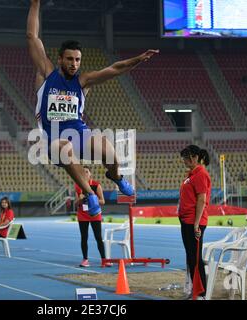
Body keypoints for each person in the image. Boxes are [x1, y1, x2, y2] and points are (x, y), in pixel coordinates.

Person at [27, 0, 158, 216]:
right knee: (63, 148)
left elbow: (115, 69)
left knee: (108, 149)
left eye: (78, 60)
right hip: (54, 140)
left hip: (79, 134)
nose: (74, 64)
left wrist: (138, 59)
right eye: (69, 59)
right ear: (60, 59)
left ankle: (116, 177)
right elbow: (32, 37)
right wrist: (35, 4)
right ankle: (89, 194)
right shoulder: (46, 74)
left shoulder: (83, 82)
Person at [178, 145, 211, 300]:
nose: (184, 161)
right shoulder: (190, 175)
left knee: (195, 258)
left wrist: (196, 224)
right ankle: (196, 291)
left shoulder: (201, 174)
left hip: (193, 221)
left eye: (186, 157)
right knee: (191, 257)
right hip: (186, 220)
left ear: (194, 157)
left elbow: (202, 199)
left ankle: (201, 293)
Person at [74, 167, 111, 268]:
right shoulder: (77, 186)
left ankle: (104, 260)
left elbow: (102, 201)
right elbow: (76, 203)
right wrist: (80, 200)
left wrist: (92, 199)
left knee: (98, 237)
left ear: (90, 174)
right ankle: (85, 260)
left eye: (86, 172)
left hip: (95, 214)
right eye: (83, 172)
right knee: (84, 237)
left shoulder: (96, 185)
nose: (85, 173)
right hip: (83, 215)